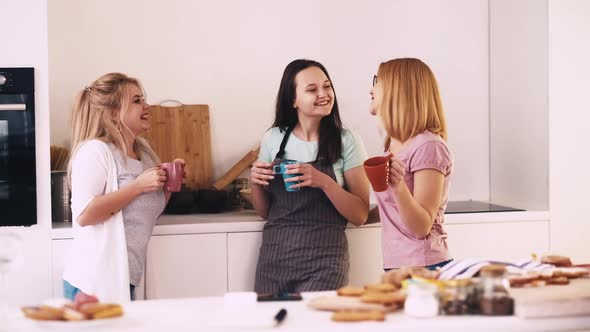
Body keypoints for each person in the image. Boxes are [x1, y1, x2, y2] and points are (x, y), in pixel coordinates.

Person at [250, 59, 370, 293]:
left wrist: (323, 181)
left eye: (327, 86)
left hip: (325, 262)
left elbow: (360, 214)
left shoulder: (347, 141)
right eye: (312, 89)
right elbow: (265, 212)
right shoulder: (273, 139)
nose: (324, 94)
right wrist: (255, 181)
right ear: (293, 100)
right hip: (275, 258)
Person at [63, 73, 184, 302]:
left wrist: (168, 185)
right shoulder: (95, 151)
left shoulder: (144, 151)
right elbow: (85, 215)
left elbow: (148, 211)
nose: (146, 105)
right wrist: (138, 186)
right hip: (94, 283)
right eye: (137, 100)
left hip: (126, 278)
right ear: (114, 113)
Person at [369, 58, 453, 271]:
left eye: (378, 81)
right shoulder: (393, 145)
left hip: (424, 265)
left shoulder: (428, 145)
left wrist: (397, 184)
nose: (371, 88)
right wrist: (357, 215)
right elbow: (395, 209)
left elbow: (421, 227)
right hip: (397, 264)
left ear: (399, 89)